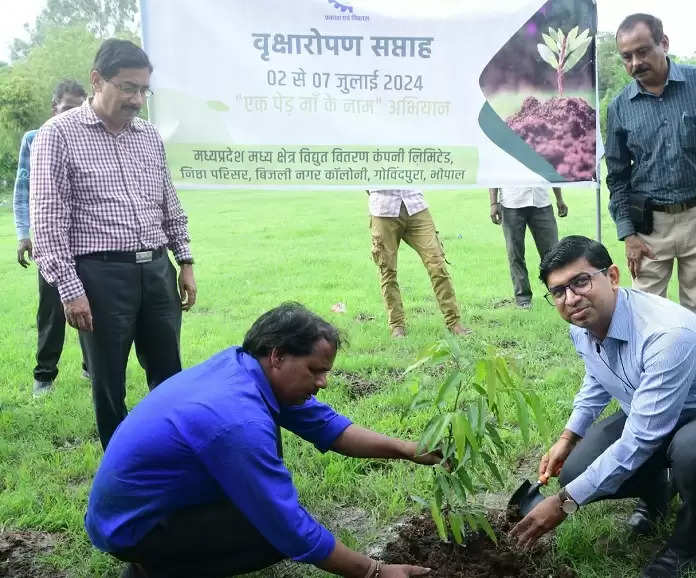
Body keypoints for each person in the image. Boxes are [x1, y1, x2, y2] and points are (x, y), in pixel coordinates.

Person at [86, 303, 435, 578]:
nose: (323, 382)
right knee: (272, 535)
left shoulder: (243, 368)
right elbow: (289, 526)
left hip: (138, 507)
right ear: (278, 355)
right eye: (315, 370)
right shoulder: (238, 420)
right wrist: (373, 571)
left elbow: (331, 427)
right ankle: (152, 567)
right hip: (131, 526)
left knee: (271, 517)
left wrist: (408, 450)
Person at [510, 236, 696, 578]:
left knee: (695, 452)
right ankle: (658, 488)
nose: (571, 298)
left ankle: (692, 537)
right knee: (575, 472)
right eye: (558, 291)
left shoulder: (668, 334)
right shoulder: (583, 325)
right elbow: (597, 376)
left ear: (612, 276)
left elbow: (640, 439)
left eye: (581, 281)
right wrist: (570, 435)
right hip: (651, 415)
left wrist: (565, 502)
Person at [31, 39, 197, 448]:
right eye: (127, 87)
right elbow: (48, 224)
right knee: (109, 382)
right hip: (100, 277)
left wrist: (185, 260)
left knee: (168, 373)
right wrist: (71, 292)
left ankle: (171, 455)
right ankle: (122, 471)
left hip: (158, 271)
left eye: (143, 90)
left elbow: (168, 201)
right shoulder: (58, 135)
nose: (137, 99)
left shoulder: (148, 137)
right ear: (96, 80)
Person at [605, 13, 696, 324]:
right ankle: (653, 373)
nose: (635, 63)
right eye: (626, 57)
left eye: (642, 51)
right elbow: (617, 177)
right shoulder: (619, 107)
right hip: (649, 225)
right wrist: (627, 233)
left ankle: (694, 371)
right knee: (646, 314)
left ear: (664, 43)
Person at [13, 79, 88, 396]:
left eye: (80, 108)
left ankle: (92, 368)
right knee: (51, 311)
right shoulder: (35, 139)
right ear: (53, 107)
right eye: (68, 107)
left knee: (91, 304)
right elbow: (22, 191)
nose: (74, 115)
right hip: (49, 241)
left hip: (86, 240)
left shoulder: (89, 137)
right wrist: (23, 234)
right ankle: (44, 376)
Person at [367, 188, 469, 337]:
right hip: (383, 207)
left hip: (414, 204)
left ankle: (454, 323)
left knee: (437, 264)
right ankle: (397, 326)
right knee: (387, 269)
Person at [489, 185, 568, 309]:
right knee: (515, 254)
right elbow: (495, 174)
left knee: (553, 254)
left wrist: (559, 198)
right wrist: (493, 203)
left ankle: (559, 292)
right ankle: (523, 299)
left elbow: (550, 170)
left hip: (541, 202)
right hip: (512, 203)